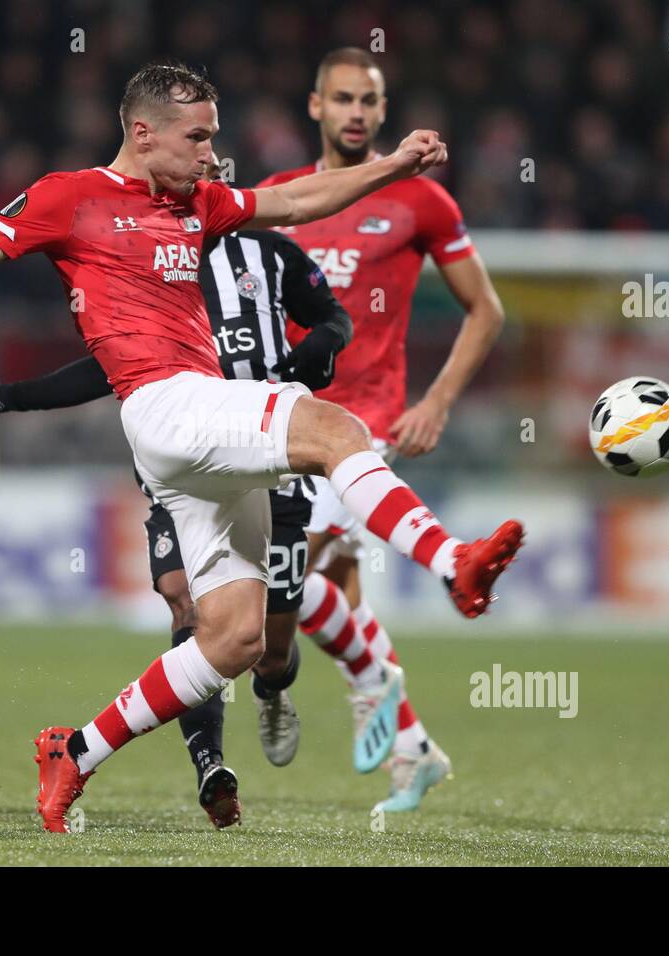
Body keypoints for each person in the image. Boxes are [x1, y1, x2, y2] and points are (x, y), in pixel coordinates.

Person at [0, 61, 523, 833]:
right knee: (336, 428)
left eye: (214, 136)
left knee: (235, 638)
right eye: (198, 137)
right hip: (164, 402)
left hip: (188, 437)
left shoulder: (199, 204)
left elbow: (291, 200)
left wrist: (393, 166)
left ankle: (73, 752)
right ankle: (454, 563)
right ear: (142, 133)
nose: (212, 153)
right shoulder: (67, 198)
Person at [0, 154, 405, 827]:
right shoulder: (148, 264)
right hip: (186, 457)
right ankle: (209, 761)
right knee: (186, 602)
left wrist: (322, 344)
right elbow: (107, 365)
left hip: (271, 448)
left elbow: (331, 315)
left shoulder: (268, 252)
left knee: (266, 646)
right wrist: (7, 398)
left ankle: (271, 691)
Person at [256, 47, 509, 813]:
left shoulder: (421, 203)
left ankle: (371, 687)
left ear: (383, 110)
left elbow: (487, 311)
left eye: (369, 100)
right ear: (315, 107)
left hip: (367, 428)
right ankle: (412, 745)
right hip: (291, 423)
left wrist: (435, 402)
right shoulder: (277, 198)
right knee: (319, 585)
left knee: (282, 569)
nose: (357, 113)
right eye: (343, 99)